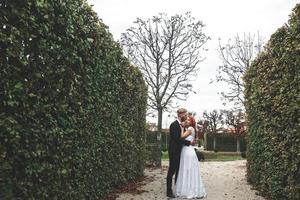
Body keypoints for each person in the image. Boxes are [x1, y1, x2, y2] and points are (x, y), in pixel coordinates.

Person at [175, 116, 207, 199]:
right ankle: (189, 189)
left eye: (188, 120)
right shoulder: (191, 129)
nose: (186, 120)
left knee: (187, 169)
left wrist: (182, 128)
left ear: (192, 122)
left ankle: (188, 190)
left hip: (187, 152)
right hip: (188, 150)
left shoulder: (190, 129)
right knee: (187, 169)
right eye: (186, 119)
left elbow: (181, 137)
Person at [166, 108, 192, 198]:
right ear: (180, 114)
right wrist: (188, 143)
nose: (186, 116)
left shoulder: (182, 126)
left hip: (181, 151)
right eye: (185, 114)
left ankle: (177, 189)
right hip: (174, 151)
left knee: (179, 171)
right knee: (172, 171)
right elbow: (177, 139)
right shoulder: (174, 125)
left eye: (186, 114)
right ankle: (168, 191)